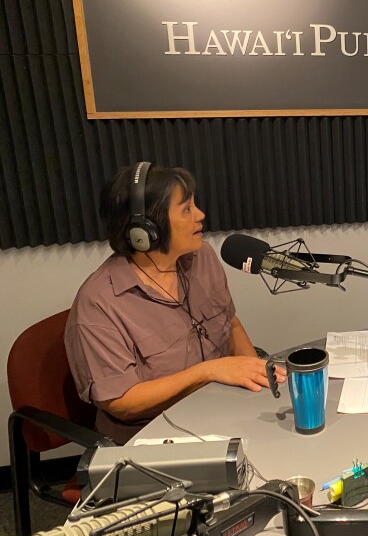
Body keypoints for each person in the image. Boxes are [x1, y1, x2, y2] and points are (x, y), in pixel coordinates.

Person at [65, 162, 283, 444]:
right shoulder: (99, 303)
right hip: (151, 439)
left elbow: (230, 322)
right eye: (187, 209)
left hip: (222, 413)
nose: (201, 215)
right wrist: (209, 371)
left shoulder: (201, 257)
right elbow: (122, 402)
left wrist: (255, 376)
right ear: (144, 231)